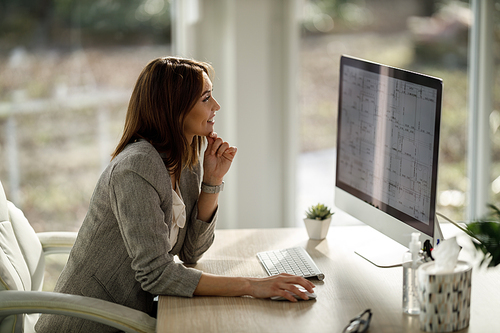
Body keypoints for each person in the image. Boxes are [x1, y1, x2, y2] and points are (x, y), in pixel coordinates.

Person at [35, 57, 315, 332]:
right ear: (174, 108)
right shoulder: (136, 167)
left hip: (129, 315)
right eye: (206, 99)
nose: (216, 106)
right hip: (89, 322)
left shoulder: (185, 160)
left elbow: (192, 251)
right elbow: (156, 274)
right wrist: (252, 286)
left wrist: (213, 181)